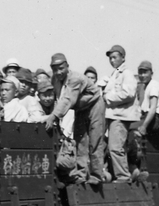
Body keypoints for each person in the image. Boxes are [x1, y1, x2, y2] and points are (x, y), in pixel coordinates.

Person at [46, 52, 106, 185]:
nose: (58, 72)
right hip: (80, 108)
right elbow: (58, 99)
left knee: (95, 139)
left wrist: (53, 116)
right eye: (55, 70)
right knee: (80, 141)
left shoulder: (75, 79)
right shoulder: (55, 80)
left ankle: (96, 175)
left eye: (61, 68)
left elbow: (67, 99)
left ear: (67, 66)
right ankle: (81, 174)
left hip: (94, 104)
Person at [103, 45, 139, 183]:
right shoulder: (116, 73)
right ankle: (123, 175)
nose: (112, 60)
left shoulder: (126, 73)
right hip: (115, 115)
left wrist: (108, 97)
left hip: (120, 116)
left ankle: (123, 176)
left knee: (115, 148)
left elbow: (128, 93)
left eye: (114, 57)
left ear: (123, 58)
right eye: (110, 58)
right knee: (116, 147)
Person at [135, 60, 159, 139]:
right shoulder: (145, 86)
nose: (142, 75)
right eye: (140, 73)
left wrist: (144, 126)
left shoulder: (153, 86)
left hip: (153, 119)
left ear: (151, 73)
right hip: (148, 117)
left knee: (129, 127)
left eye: (145, 72)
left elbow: (153, 108)